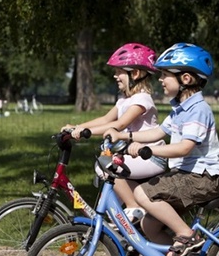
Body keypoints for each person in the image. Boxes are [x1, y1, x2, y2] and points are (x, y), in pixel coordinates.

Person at [104, 43, 219, 256]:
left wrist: (149, 150)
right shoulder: (180, 108)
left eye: (165, 75)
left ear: (185, 79)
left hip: (203, 177)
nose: (160, 79)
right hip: (187, 175)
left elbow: (184, 147)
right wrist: (124, 136)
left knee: (142, 193)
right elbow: (158, 131)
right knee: (149, 225)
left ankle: (187, 235)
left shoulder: (198, 109)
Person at [61, 42, 167, 221]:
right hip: (134, 157)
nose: (115, 75)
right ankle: (129, 227)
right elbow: (105, 120)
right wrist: (77, 127)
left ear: (135, 74)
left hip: (150, 156)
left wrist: (84, 131)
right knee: (111, 205)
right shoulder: (125, 100)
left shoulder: (142, 100)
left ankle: (133, 207)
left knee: (104, 165)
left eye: (119, 71)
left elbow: (118, 124)